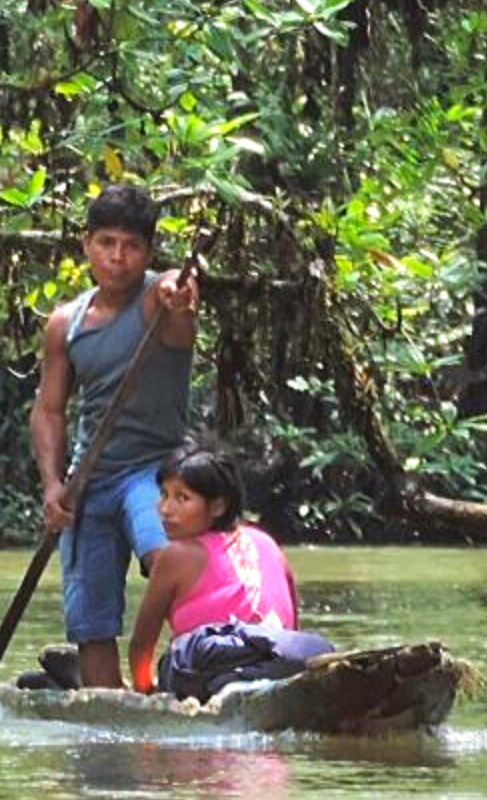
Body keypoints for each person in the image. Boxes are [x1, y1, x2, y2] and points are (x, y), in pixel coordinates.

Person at [30, 183, 198, 689]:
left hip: (154, 472)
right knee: (91, 624)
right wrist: (53, 485)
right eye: (106, 243)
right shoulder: (66, 324)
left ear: (147, 251)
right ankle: (106, 707)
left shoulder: (159, 298)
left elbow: (181, 291)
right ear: (87, 244)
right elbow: (49, 410)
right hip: (89, 480)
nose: (118, 257)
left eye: (131, 246)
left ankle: (187, 674)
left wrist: (180, 298)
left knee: (166, 558)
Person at [127, 443, 322, 697]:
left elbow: (142, 646)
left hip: (216, 669)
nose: (164, 509)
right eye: (163, 494)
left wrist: (146, 693)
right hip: (283, 662)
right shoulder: (266, 541)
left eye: (181, 498)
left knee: (174, 659)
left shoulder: (175, 556)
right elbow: (292, 626)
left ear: (218, 507)